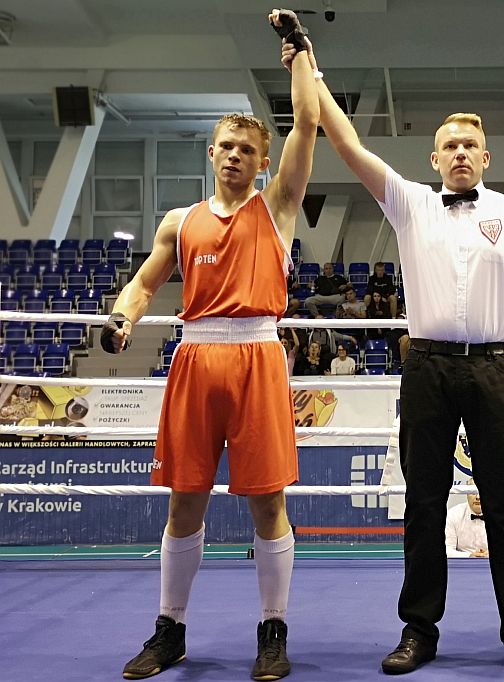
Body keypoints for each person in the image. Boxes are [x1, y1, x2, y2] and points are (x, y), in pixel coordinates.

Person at [283, 39, 504, 676]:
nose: (462, 153)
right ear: (434, 158)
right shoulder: (409, 201)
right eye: (451, 145)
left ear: (486, 158)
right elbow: (347, 143)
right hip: (428, 370)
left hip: (496, 368)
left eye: (472, 145)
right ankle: (419, 630)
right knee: (422, 503)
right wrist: (308, 66)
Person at [101, 11, 318, 681]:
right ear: (210, 151)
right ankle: (171, 630)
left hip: (257, 355)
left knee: (268, 501)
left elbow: (307, 125)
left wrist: (301, 54)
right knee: (184, 499)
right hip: (195, 359)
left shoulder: (278, 206)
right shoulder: (178, 221)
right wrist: (121, 317)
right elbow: (142, 284)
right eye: (225, 145)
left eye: (246, 150)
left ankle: (273, 630)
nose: (233, 156)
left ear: (259, 161)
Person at [445, 481, 489, 558]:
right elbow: (447, 550)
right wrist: (469, 555)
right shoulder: (453, 514)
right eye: (473, 492)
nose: (478, 497)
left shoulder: (500, 515)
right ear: (467, 494)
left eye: (482, 492)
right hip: (461, 565)